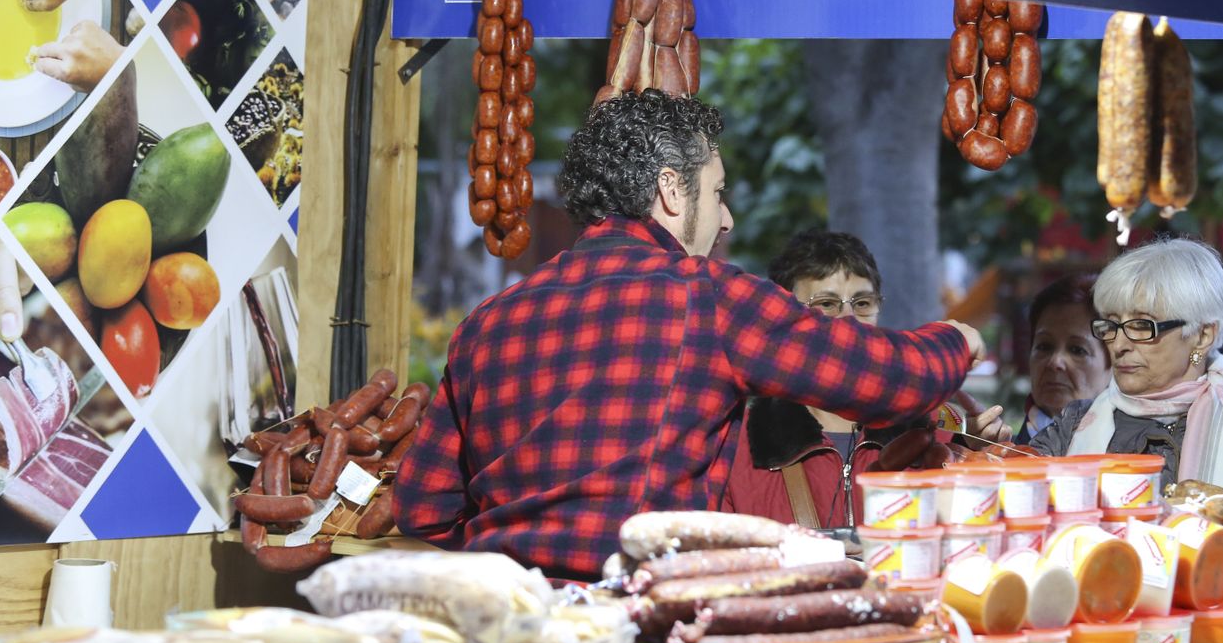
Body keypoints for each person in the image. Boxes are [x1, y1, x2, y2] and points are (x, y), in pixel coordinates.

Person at [393, 91, 985, 580]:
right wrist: (958, 340)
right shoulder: (708, 295)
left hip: (499, 624)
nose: (726, 218)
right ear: (673, 191)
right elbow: (887, 382)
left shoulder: (488, 320)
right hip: (633, 630)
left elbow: (425, 509)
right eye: (718, 191)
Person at [722, 228, 1010, 528]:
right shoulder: (739, 442)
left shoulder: (929, 428)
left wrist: (977, 455)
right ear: (786, 317)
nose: (848, 321)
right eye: (826, 304)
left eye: (862, 304)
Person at [1029, 237, 1223, 512]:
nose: (1119, 344)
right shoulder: (1073, 425)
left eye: (1141, 326)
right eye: (1112, 324)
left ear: (1202, 336)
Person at [1017, 273, 1112, 445]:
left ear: (1113, 365)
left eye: (1077, 350)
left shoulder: (1144, 455)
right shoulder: (989, 456)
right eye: (1044, 346)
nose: (1055, 362)